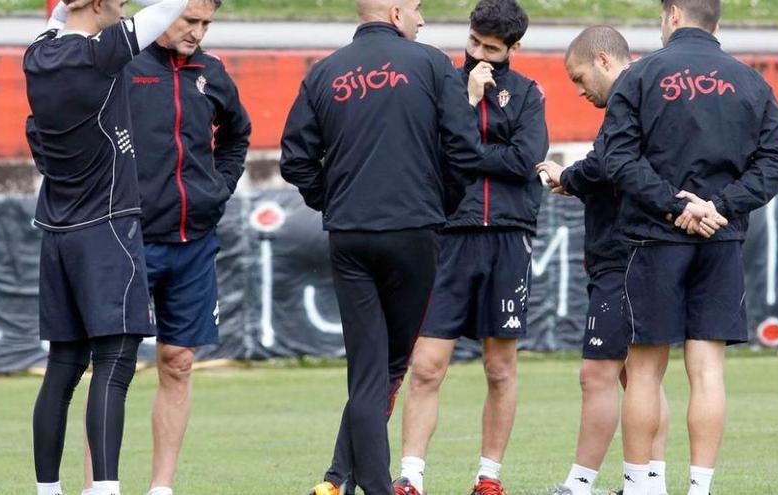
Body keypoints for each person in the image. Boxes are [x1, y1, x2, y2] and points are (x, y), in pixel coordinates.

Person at [546, 1, 778, 494]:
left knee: (644, 370)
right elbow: (774, 165)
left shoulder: (641, 76)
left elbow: (616, 158)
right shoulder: (751, 82)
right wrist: (718, 205)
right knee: (707, 371)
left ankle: (642, 485)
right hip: (720, 238)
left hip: (652, 238)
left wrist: (675, 205)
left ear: (673, 14)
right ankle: (699, 488)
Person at [279, 0, 487, 494]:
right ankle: (367, 484)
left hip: (350, 235)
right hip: (415, 231)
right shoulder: (433, 64)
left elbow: (295, 159)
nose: (422, 20)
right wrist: (440, 203)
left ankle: (341, 478)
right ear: (395, 13)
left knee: (368, 371)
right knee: (390, 366)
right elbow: (464, 149)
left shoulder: (324, 72)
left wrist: (333, 201)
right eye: (416, 9)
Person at [78, 1, 251, 494]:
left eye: (206, 24)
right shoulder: (118, 63)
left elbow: (238, 134)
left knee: (179, 361)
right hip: (124, 239)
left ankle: (161, 487)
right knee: (112, 364)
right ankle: (99, 486)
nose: (198, 32)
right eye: (189, 21)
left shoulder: (211, 73)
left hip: (194, 242)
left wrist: (217, 189)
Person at [24, 0, 188, 494]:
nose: (126, 4)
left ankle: (48, 490)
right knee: (114, 364)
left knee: (63, 366)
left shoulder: (36, 53)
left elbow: (56, 19)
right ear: (95, 4)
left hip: (57, 230)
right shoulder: (100, 55)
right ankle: (105, 489)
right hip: (107, 229)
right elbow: (169, 8)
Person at [395, 1, 547, 494]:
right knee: (426, 366)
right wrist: (465, 100)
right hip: (449, 235)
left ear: (513, 49)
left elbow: (525, 158)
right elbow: (428, 154)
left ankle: (489, 477)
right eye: (474, 42)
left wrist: (470, 153)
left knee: (500, 367)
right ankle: (411, 477)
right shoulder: (442, 83)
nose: (480, 53)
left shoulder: (528, 93)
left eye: (492, 48)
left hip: (508, 237)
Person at [539, 26, 670, 495]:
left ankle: (579, 484)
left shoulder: (628, 95)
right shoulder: (652, 92)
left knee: (598, 372)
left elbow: (607, 162)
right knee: (640, 374)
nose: (578, 90)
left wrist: (568, 177)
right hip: (637, 251)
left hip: (623, 254)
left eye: (579, 77)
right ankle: (651, 482)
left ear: (604, 60)